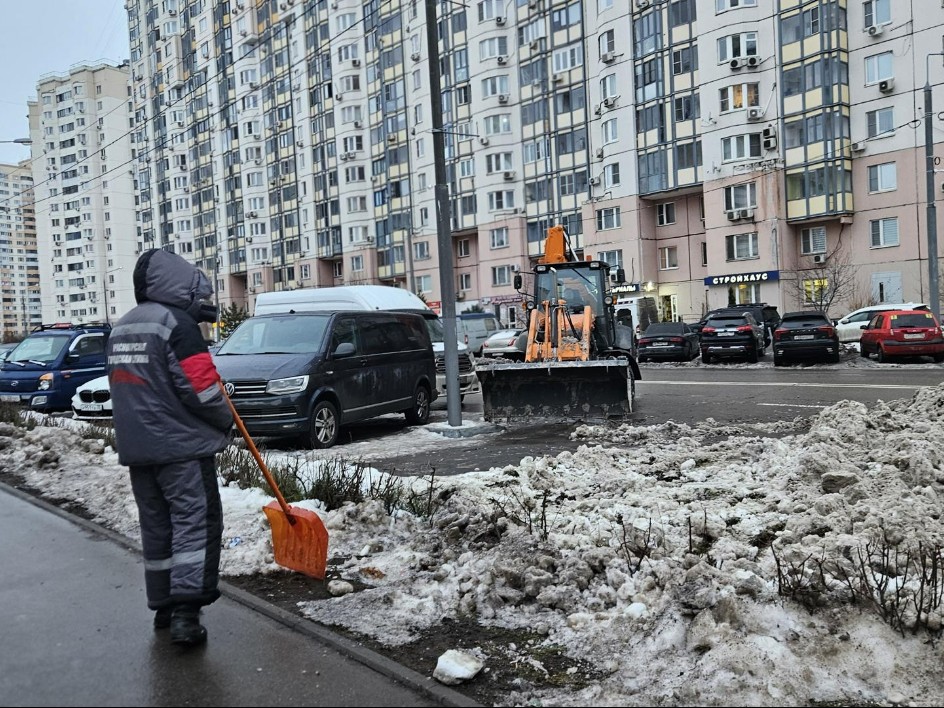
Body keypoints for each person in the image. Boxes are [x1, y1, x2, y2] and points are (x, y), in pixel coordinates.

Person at [106, 249, 233, 647]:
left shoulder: (123, 327)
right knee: (194, 524)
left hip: (138, 448)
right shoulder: (176, 325)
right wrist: (225, 417)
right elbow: (203, 389)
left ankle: (163, 606)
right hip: (181, 449)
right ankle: (186, 615)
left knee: (157, 527)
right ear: (182, 286)